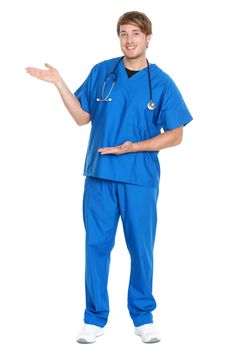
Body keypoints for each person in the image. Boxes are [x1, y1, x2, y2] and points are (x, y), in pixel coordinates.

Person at [26, 10, 192, 344]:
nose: (129, 40)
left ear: (148, 38)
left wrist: (134, 148)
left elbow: (176, 135)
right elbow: (82, 117)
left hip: (139, 179)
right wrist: (59, 83)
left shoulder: (161, 82)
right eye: (123, 34)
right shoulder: (103, 72)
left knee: (141, 249)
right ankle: (94, 318)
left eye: (135, 34)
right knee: (96, 246)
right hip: (99, 176)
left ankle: (143, 316)